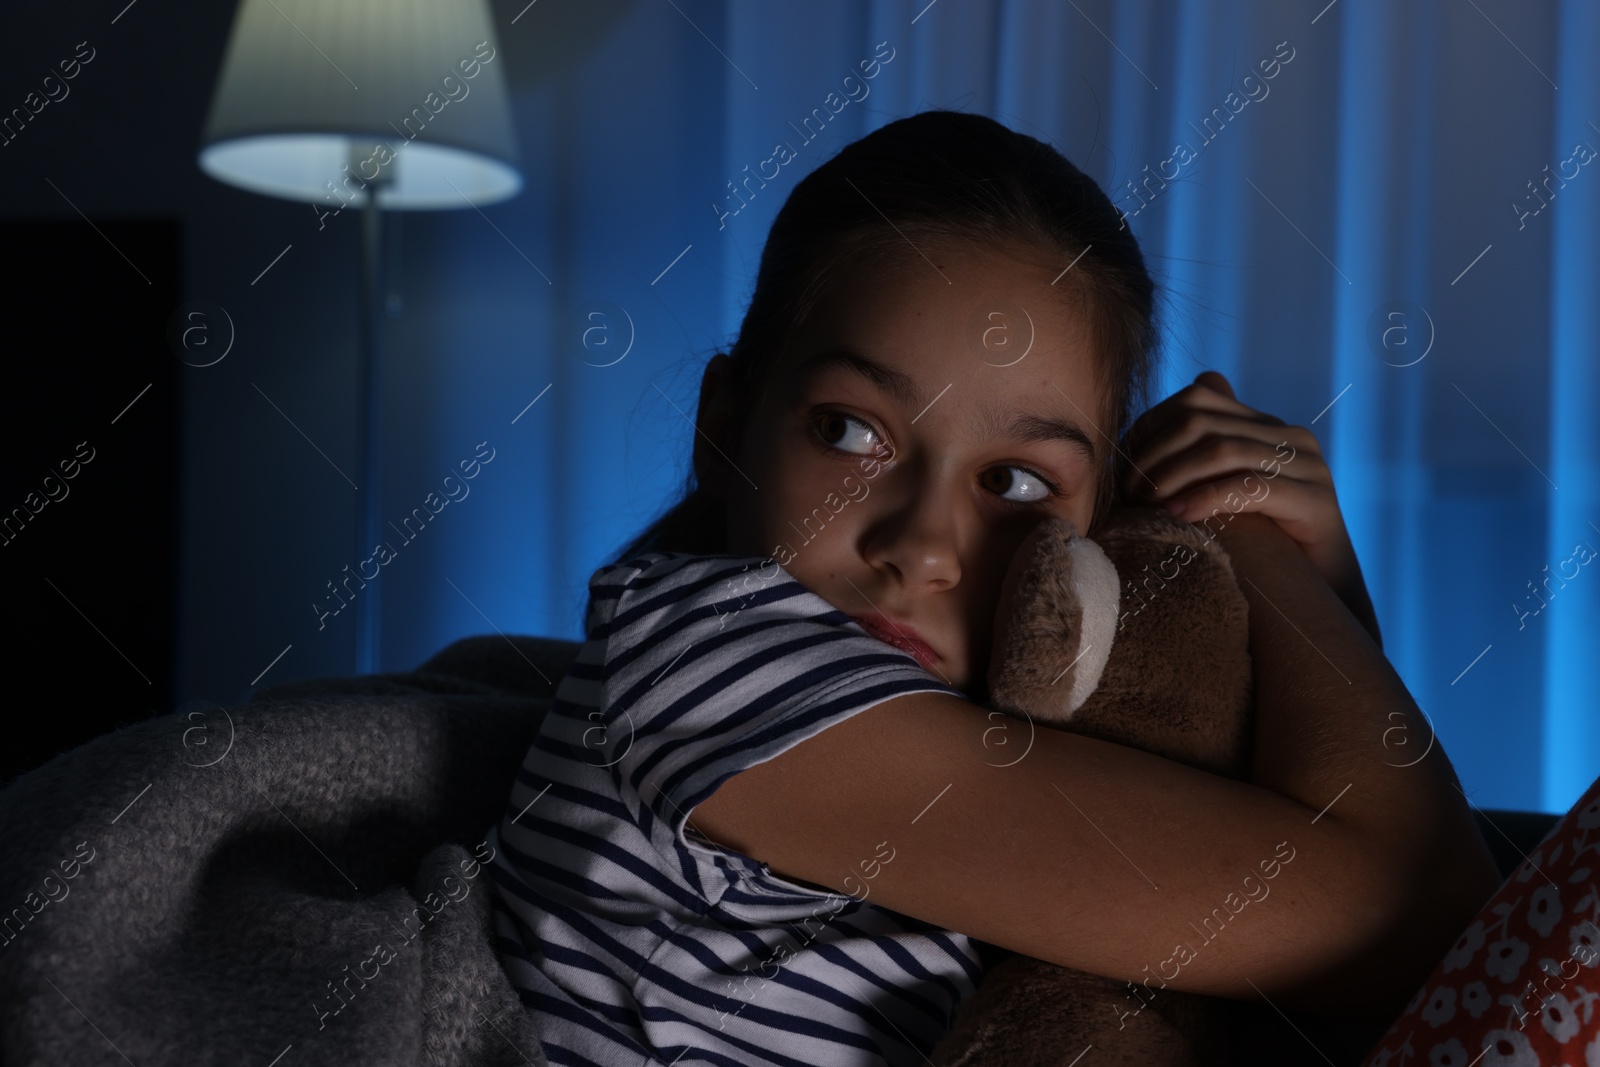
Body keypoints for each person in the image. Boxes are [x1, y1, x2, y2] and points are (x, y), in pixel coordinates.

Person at [483, 108, 1503, 1066]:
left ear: (1098, 533)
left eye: (1013, 482)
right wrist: (1254, 544)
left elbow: (1332, 920)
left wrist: (1320, 576)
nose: (922, 546)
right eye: (851, 430)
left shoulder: (1007, 737)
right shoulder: (705, 660)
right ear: (724, 429)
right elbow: (1409, 915)